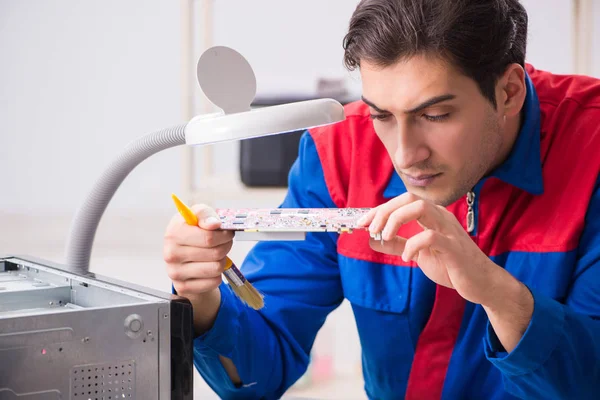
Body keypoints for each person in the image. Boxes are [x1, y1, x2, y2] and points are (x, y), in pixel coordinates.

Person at [163, 0, 600, 398]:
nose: (405, 155)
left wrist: (496, 292)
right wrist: (203, 303)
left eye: (434, 115)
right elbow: (259, 373)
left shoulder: (592, 151)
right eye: (380, 114)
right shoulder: (338, 154)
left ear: (508, 92)